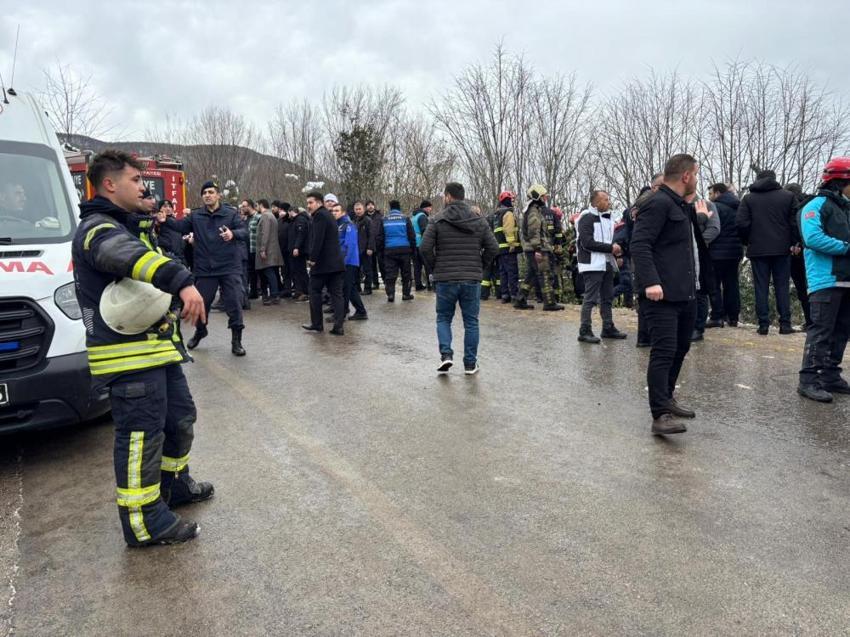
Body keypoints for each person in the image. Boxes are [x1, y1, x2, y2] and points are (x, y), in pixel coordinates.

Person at [71, 149, 211, 547]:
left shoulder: (130, 226)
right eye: (135, 180)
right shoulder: (98, 230)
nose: (143, 187)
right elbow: (132, 259)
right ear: (109, 184)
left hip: (156, 349)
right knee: (140, 437)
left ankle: (173, 486)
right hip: (128, 356)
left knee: (179, 420)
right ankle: (144, 521)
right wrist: (182, 282)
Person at [632, 154, 712, 435]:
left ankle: (667, 398)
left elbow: (681, 245)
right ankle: (660, 414)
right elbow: (640, 244)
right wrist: (650, 282)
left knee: (681, 348)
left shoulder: (680, 205)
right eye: (696, 174)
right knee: (664, 351)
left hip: (685, 292)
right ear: (686, 176)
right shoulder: (657, 203)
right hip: (661, 295)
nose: (697, 179)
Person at [420, 182, 499, 375]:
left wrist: (435, 267)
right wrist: (479, 266)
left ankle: (446, 355)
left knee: (443, 318)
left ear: (448, 196)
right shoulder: (479, 220)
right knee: (471, 322)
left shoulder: (436, 220)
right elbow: (493, 247)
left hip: (445, 278)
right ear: (463, 197)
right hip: (471, 278)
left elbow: (424, 248)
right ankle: (470, 364)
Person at [166, 181, 248, 356]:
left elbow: (244, 231)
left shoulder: (230, 214)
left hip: (229, 267)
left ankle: (236, 341)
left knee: (234, 303)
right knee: (200, 304)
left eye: (211, 192)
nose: (207, 195)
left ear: (218, 195)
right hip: (206, 269)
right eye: (204, 193)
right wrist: (164, 219)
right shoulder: (196, 216)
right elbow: (180, 226)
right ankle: (201, 331)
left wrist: (233, 234)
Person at [796, 157, 850, 403]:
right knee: (821, 331)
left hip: (846, 279)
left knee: (841, 331)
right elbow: (812, 238)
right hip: (825, 279)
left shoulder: (845, 208)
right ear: (841, 182)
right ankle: (808, 379)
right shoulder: (816, 205)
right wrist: (846, 247)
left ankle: (830, 375)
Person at [736, 169, 799, 335]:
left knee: (760, 286)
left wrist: (748, 241)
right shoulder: (788, 196)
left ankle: (763, 324)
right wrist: (794, 242)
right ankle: (785, 324)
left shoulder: (748, 199)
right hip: (782, 248)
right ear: (774, 179)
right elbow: (795, 222)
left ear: (757, 179)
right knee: (782, 286)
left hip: (758, 248)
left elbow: (741, 223)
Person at [576, 190, 627, 343]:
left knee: (607, 297)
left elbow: (611, 241)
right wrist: (611, 249)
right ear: (596, 202)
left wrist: (617, 255)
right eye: (605, 199)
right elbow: (587, 243)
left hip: (607, 263)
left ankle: (608, 327)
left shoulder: (609, 219)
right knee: (590, 298)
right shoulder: (586, 218)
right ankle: (584, 330)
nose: (608, 202)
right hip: (592, 264)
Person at [513, 184, 564, 311]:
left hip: (532, 249)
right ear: (537, 197)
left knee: (531, 275)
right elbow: (533, 232)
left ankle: (520, 299)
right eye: (543, 196)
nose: (545, 198)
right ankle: (549, 303)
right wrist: (538, 249)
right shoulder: (534, 211)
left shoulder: (533, 210)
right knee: (545, 274)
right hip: (537, 248)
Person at [302, 191, 346, 335]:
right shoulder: (328, 215)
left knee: (314, 291)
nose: (308, 206)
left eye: (311, 202)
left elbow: (317, 239)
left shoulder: (320, 216)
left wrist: (312, 259)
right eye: (307, 203)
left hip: (322, 264)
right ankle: (338, 326)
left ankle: (317, 324)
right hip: (336, 263)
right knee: (337, 295)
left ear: (319, 203)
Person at [706, 183, 743, 328]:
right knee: (732, 284)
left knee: (714, 285)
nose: (709, 197)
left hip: (717, 251)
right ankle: (733, 317)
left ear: (717, 193)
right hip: (735, 251)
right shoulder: (739, 206)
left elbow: (711, 228)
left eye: (710, 193)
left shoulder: (715, 207)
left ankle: (717, 315)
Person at [690, 198, 721, 341]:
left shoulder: (707, 205)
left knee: (700, 291)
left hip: (701, 254)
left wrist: (697, 242)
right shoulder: (674, 205)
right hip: (680, 254)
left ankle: (698, 327)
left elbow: (714, 228)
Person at [331, 202, 368, 321]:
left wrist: (344, 261)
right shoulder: (338, 225)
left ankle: (340, 315)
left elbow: (350, 245)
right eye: (332, 211)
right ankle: (361, 311)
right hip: (341, 260)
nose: (334, 213)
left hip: (348, 261)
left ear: (343, 212)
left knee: (345, 288)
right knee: (350, 288)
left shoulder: (348, 225)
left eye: (337, 211)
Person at [375, 200, 417, 302]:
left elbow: (380, 237)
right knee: (406, 273)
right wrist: (413, 250)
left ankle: (390, 294)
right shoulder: (405, 218)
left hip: (389, 250)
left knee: (390, 273)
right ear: (399, 207)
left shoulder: (384, 219)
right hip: (404, 249)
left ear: (390, 208)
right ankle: (406, 294)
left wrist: (381, 251)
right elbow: (411, 235)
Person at [785, 183, 813, 330]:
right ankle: (814, 320)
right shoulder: (812, 204)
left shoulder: (793, 207)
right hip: (812, 252)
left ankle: (810, 320)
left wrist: (795, 244)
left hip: (796, 252)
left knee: (802, 288)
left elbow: (793, 227)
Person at [492, 191, 521, 304]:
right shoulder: (508, 213)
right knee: (512, 272)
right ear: (507, 200)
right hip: (509, 249)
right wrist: (512, 244)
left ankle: (505, 295)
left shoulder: (497, 215)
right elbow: (509, 230)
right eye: (511, 200)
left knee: (503, 273)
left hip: (500, 250)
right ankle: (514, 295)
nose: (513, 202)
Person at [255, 199, 284, 305]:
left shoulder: (266, 216)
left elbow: (265, 233)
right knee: (271, 273)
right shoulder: (271, 216)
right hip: (272, 250)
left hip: (268, 251)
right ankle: (274, 294)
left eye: (257, 205)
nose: (256, 208)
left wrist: (263, 249)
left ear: (261, 205)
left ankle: (275, 295)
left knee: (269, 273)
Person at [288, 205, 311, 302]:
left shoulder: (300, 220)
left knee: (300, 271)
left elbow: (300, 234)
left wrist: (296, 247)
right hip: (295, 249)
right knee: (296, 271)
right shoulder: (295, 221)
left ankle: (305, 291)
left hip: (299, 251)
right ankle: (299, 291)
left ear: (291, 211)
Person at [241, 199, 261, 301]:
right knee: (250, 272)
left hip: (256, 249)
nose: (242, 208)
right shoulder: (245, 219)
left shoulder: (258, 217)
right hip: (247, 249)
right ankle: (253, 291)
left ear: (249, 206)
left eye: (244, 206)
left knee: (260, 272)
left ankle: (267, 293)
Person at [411, 200, 432, 291]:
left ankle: (418, 285)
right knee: (427, 265)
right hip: (421, 244)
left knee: (417, 266)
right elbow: (425, 231)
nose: (430, 209)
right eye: (429, 207)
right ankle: (430, 285)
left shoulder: (414, 216)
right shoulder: (422, 216)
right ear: (425, 208)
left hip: (414, 244)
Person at [353, 201, 373, 294]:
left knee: (367, 270)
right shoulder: (354, 221)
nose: (358, 211)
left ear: (363, 209)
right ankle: (357, 288)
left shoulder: (368, 220)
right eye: (356, 209)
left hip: (365, 249)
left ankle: (368, 288)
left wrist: (370, 247)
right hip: (356, 250)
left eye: (359, 209)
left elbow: (371, 235)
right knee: (356, 270)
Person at [276, 202, 293, 298]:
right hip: (281, 249)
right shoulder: (279, 220)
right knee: (284, 270)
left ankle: (297, 288)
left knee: (292, 270)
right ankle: (287, 289)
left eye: (282, 210)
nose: (280, 212)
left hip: (289, 249)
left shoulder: (290, 220)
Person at [366, 200, 384, 290]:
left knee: (382, 264)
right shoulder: (364, 217)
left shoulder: (380, 216)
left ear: (374, 206)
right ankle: (375, 283)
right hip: (369, 244)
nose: (370, 206)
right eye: (368, 205)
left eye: (371, 205)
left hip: (379, 244)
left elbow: (383, 229)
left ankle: (386, 281)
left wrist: (381, 239)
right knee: (372, 265)